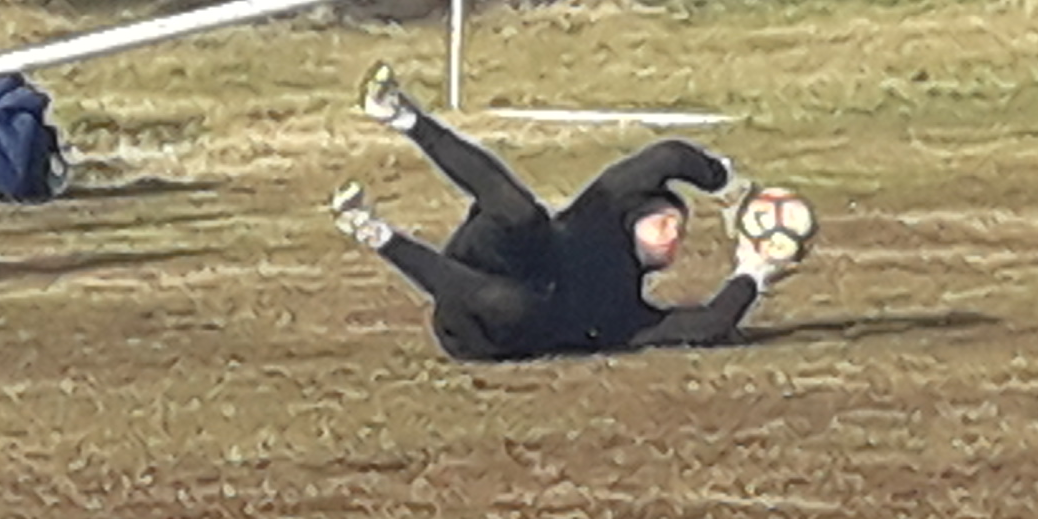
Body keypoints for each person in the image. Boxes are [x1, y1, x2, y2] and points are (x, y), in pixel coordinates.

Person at [329, 64, 803, 360]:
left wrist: (754, 270)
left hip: (482, 330)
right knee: (522, 215)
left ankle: (377, 235)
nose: (673, 234)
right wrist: (729, 187)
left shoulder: (625, 312)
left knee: (515, 304)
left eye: (679, 232)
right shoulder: (598, 214)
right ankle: (404, 117)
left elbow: (709, 325)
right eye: (665, 219)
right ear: (634, 217)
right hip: (493, 256)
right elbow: (670, 156)